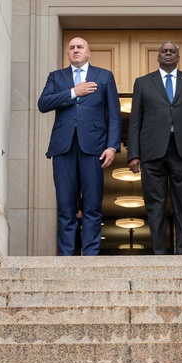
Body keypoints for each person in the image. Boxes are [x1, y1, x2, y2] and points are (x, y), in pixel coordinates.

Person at [38, 37, 121, 255]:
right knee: (65, 205)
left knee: (92, 205)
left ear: (88, 52)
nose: (75, 50)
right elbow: (43, 104)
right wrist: (74, 92)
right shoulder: (56, 77)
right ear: (67, 53)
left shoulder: (104, 76)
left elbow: (114, 115)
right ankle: (67, 256)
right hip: (63, 147)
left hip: (93, 148)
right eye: (72, 48)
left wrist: (112, 146)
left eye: (80, 47)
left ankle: (91, 255)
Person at [127, 41, 182, 255]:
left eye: (172, 52)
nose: (168, 54)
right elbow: (135, 120)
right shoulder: (143, 83)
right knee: (155, 206)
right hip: (152, 153)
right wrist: (133, 154)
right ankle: (159, 253)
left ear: (178, 57)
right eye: (164, 51)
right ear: (157, 57)